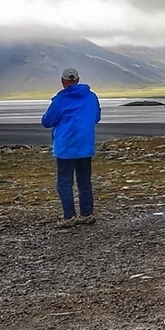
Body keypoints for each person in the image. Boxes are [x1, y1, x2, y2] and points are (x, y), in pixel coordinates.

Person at [41, 66, 101, 227]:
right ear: (78, 80)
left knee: (64, 182)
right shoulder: (91, 97)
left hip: (65, 146)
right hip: (84, 145)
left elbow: (47, 121)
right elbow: (96, 117)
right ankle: (87, 214)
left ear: (63, 81)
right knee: (84, 181)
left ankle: (69, 216)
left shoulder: (60, 99)